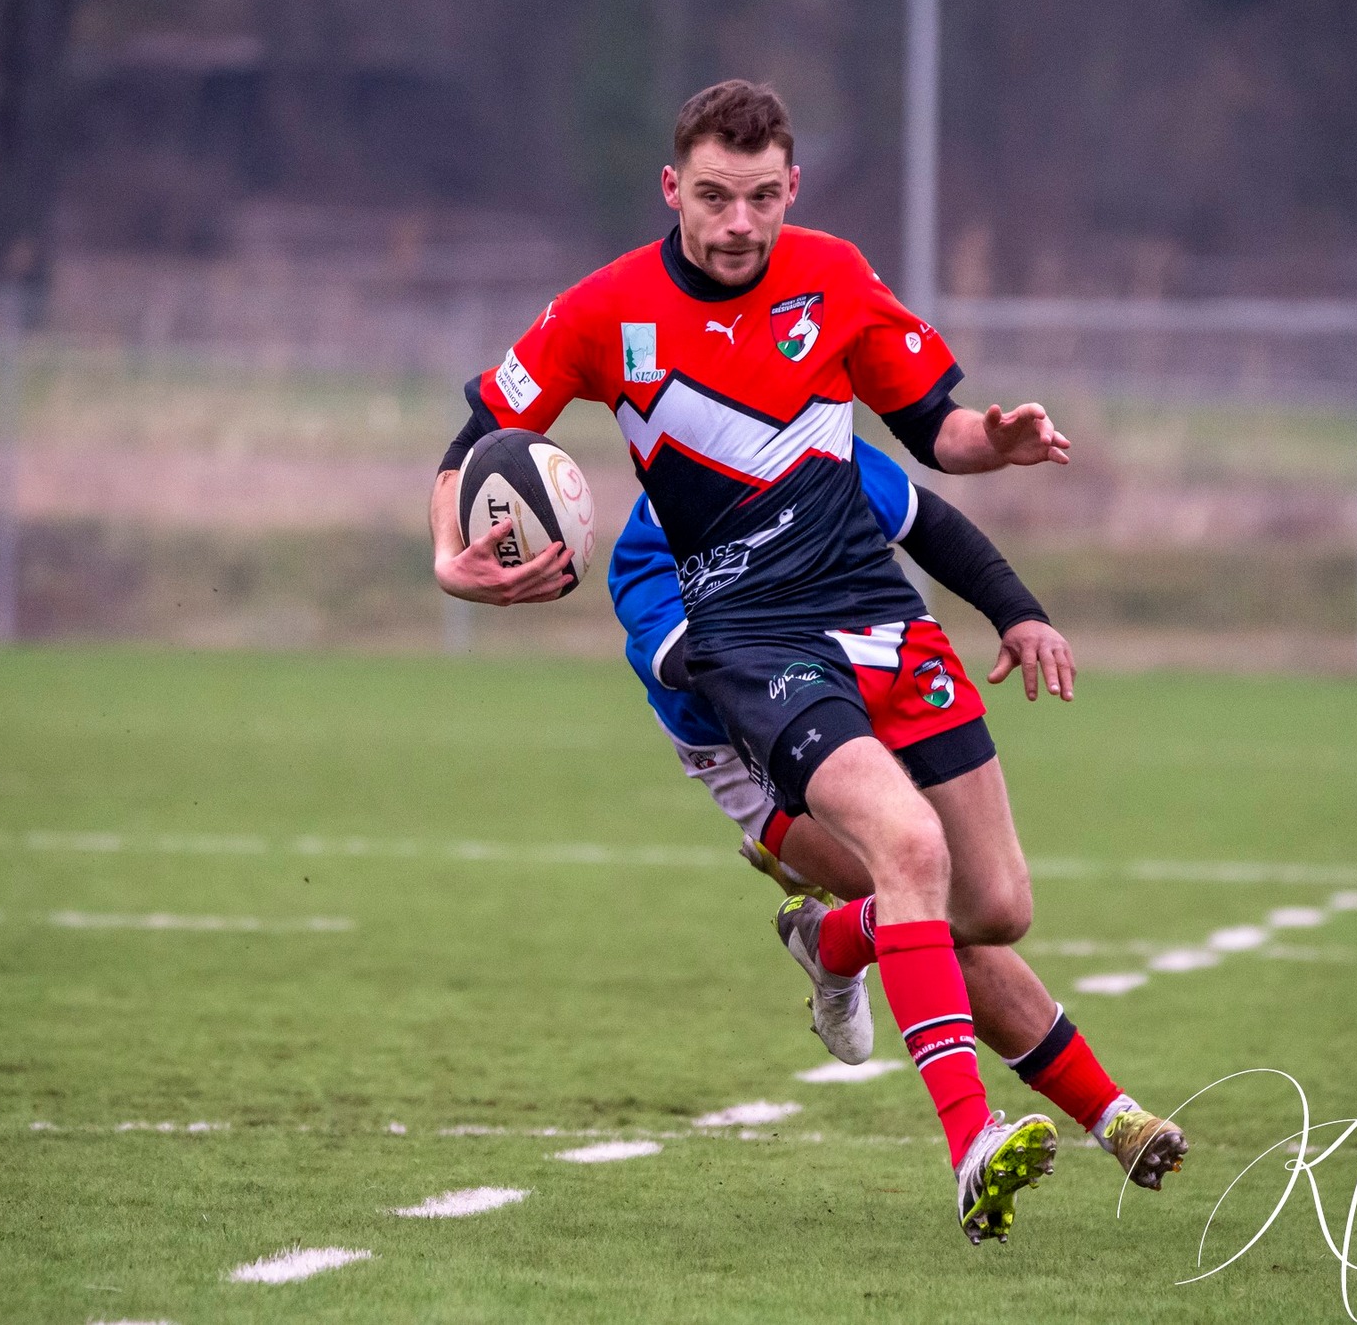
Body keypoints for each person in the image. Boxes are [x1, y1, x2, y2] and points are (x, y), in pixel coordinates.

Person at [429, 78, 1184, 1244]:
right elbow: (480, 430)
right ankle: (977, 1140)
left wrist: (996, 450)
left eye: (761, 197)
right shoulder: (607, 315)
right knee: (908, 849)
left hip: (877, 620)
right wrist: (450, 558)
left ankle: (832, 940)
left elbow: (934, 443)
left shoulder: (832, 295)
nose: (738, 224)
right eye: (713, 197)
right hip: (749, 651)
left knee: (989, 906)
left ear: (794, 188)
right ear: (671, 189)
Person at [608, 433, 1190, 1197]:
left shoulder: (807, 448)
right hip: (743, 743)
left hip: (857, 681)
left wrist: (1018, 611)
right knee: (927, 895)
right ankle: (1109, 1115)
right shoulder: (647, 549)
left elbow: (926, 519)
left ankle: (834, 938)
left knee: (993, 908)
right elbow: (692, 661)